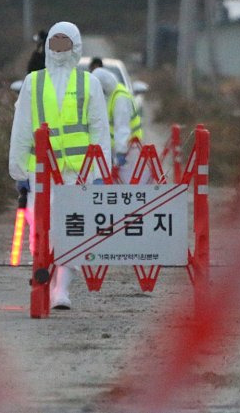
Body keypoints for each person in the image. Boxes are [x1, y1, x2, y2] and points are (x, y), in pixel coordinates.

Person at [9, 21, 111, 309]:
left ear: (76, 47)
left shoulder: (87, 83)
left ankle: (61, 289)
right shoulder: (33, 82)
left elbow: (99, 128)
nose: (60, 49)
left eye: (66, 43)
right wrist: (18, 168)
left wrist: (101, 171)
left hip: (78, 173)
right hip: (40, 171)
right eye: (56, 43)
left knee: (73, 230)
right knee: (39, 228)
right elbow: (22, 127)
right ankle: (45, 278)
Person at [91, 67, 143, 177]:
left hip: (127, 149)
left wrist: (121, 154)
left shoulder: (120, 98)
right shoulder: (111, 94)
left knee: (124, 188)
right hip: (115, 150)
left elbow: (122, 128)